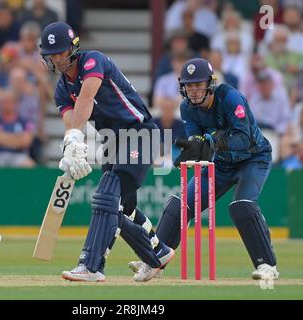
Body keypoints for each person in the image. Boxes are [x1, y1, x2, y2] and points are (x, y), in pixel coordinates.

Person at [39, 22, 174, 282]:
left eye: (61, 51)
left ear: (73, 48)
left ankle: (91, 265)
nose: (58, 58)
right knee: (121, 208)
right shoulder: (61, 90)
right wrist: (70, 148)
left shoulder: (93, 61)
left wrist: (77, 136)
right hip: (113, 142)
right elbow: (71, 121)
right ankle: (158, 252)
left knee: (105, 196)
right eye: (52, 54)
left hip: (140, 133)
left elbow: (87, 98)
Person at [129, 58, 279, 281]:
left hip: (253, 158)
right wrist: (195, 147)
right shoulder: (186, 108)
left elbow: (242, 137)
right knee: (179, 205)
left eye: (199, 85)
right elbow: (197, 139)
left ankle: (267, 265)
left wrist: (209, 140)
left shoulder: (230, 97)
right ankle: (154, 261)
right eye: (189, 86)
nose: (194, 91)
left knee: (242, 206)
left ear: (210, 83)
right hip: (221, 164)